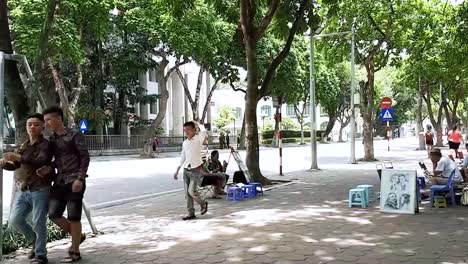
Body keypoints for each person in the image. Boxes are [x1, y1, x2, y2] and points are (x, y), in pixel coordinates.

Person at [2, 113, 53, 264]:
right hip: (24, 189)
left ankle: (41, 255)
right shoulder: (25, 145)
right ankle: (35, 242)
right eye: (29, 124)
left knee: (38, 222)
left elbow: (41, 160)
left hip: (40, 189)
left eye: (36, 124)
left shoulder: (46, 145)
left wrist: (18, 158)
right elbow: (17, 165)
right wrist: (5, 163)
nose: (32, 127)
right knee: (15, 221)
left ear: (43, 127)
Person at [43, 106, 90, 263]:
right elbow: (56, 160)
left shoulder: (74, 135)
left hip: (75, 180)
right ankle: (79, 236)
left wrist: (80, 179)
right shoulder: (52, 139)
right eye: (45, 120)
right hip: (59, 180)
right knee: (54, 214)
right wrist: (48, 167)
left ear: (59, 119)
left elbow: (84, 157)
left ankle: (75, 250)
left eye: (48, 119)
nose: (46, 123)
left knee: (74, 216)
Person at [174, 121, 208, 220]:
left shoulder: (198, 139)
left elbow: (204, 130)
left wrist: (196, 123)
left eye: (188, 129)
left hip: (195, 169)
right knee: (187, 193)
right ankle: (191, 213)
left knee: (191, 191)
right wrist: (178, 168)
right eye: (185, 130)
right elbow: (183, 156)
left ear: (194, 130)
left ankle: (203, 203)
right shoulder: (185, 142)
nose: (186, 132)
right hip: (186, 169)